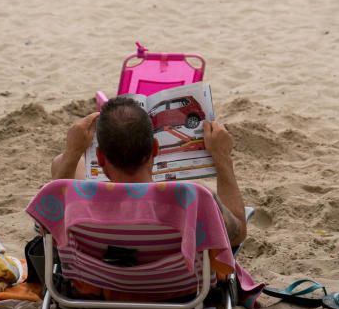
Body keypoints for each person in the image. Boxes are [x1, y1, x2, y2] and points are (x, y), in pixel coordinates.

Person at [51, 96, 247, 246]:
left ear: (100, 158)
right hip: (178, 293)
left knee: (60, 162)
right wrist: (223, 158)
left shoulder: (78, 203)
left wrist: (72, 152)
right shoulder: (195, 197)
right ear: (155, 149)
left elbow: (51, 231)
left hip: (94, 291)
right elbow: (237, 235)